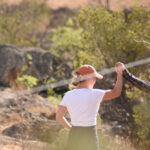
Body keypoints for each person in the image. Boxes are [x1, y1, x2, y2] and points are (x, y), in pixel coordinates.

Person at [56, 62, 125, 150]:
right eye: (94, 78)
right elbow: (116, 92)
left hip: (74, 135)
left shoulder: (68, 95)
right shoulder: (94, 94)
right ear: (88, 78)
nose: (95, 81)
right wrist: (119, 74)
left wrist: (71, 128)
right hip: (90, 135)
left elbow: (59, 117)